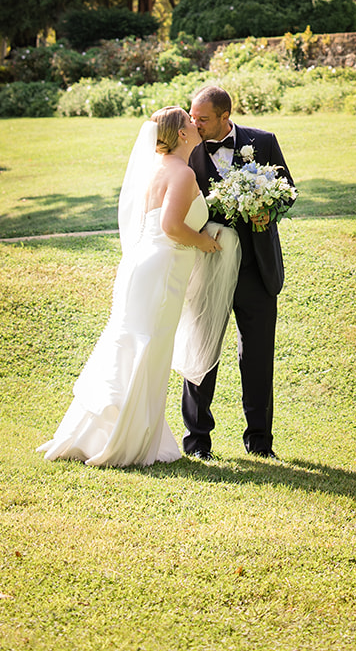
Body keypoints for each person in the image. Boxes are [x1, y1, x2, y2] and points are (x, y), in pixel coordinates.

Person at [39, 106, 221, 468]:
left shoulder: (157, 169)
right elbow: (171, 226)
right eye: (190, 120)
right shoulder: (182, 174)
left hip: (142, 265)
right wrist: (203, 242)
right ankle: (128, 438)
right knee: (148, 345)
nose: (195, 124)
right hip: (163, 268)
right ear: (182, 134)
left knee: (130, 342)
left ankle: (102, 433)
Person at [182, 83, 293, 462]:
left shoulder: (263, 141)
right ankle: (197, 443)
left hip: (257, 269)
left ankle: (260, 442)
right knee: (202, 351)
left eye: (203, 119)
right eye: (192, 116)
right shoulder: (186, 148)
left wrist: (270, 211)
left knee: (259, 358)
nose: (194, 124)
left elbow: (288, 190)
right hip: (208, 265)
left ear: (225, 117)